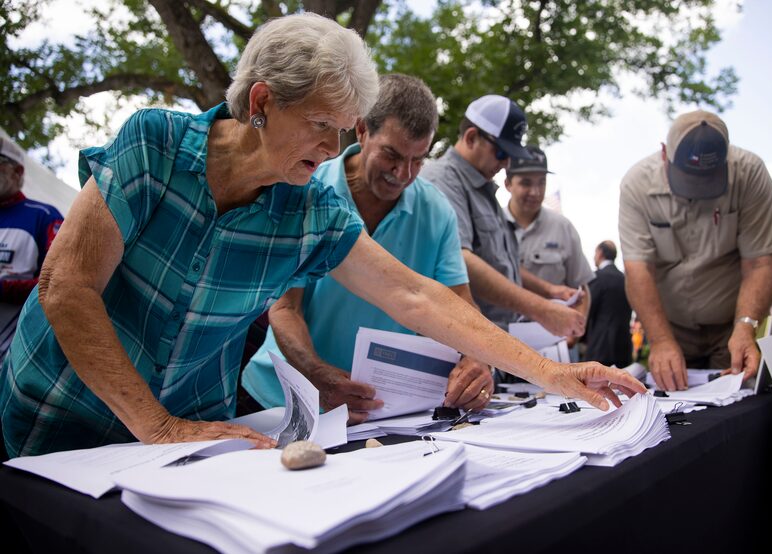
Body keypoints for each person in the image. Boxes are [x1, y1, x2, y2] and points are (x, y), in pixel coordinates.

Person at [0, 15, 644, 458]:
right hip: (61, 414)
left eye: (344, 128)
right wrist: (156, 425)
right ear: (260, 102)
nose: (334, 148)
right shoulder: (154, 146)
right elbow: (65, 286)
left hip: (193, 436)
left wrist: (555, 377)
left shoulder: (309, 209)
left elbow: (417, 295)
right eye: (319, 124)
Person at [241, 74, 493, 423]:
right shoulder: (306, 188)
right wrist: (317, 375)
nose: (403, 173)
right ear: (361, 130)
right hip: (280, 399)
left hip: (379, 408)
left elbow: (460, 303)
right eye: (392, 154)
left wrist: (478, 356)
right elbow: (285, 309)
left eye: (418, 160)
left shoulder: (436, 210)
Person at [619, 110, 772, 391]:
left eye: (707, 180)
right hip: (670, 328)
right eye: (687, 179)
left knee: (736, 406)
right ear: (664, 153)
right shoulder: (636, 184)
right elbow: (638, 269)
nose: (695, 192)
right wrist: (660, 340)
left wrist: (746, 326)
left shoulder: (750, 172)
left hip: (731, 327)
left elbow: (760, 263)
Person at [420, 95, 585, 338]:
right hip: (463, 343)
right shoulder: (443, 181)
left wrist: (549, 290)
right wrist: (542, 309)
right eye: (501, 152)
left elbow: (502, 264)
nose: (507, 162)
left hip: (494, 341)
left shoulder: (482, 187)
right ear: (471, 137)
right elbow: (458, 260)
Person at [503, 145, 594, 339]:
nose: (535, 192)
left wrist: (575, 333)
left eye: (541, 183)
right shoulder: (489, 225)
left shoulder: (563, 227)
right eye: (526, 183)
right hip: (498, 342)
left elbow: (582, 289)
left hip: (553, 346)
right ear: (508, 184)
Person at [0, 138, 64, 364]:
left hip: (14, 355)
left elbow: (59, 281)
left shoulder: (44, 216)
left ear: (17, 171)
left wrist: (5, 288)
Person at [584, 241, 633, 368]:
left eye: (595, 253)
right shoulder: (626, 279)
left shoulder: (596, 277)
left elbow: (586, 311)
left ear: (600, 253)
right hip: (624, 349)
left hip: (599, 349)